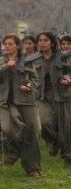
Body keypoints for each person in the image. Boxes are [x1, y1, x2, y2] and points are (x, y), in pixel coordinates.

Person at [0, 34, 42, 177]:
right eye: (5, 43)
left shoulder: (27, 61)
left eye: (10, 43)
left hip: (26, 101)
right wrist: (6, 66)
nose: (6, 46)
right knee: (8, 130)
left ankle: (33, 167)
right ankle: (12, 154)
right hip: (6, 102)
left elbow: (36, 80)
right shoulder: (0, 61)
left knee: (33, 131)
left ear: (17, 46)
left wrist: (30, 85)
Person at [34, 31, 71, 166]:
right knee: (42, 122)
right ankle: (53, 140)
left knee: (66, 127)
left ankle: (68, 157)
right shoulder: (35, 58)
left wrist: (68, 78)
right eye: (40, 40)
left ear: (52, 43)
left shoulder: (63, 56)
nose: (42, 42)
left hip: (62, 94)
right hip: (42, 96)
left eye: (45, 40)